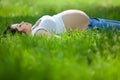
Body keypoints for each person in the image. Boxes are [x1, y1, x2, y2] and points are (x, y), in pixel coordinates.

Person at [2, 9, 120, 37]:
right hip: (91, 27)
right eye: (19, 25)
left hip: (93, 21)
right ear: (21, 33)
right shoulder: (37, 33)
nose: (22, 22)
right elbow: (58, 40)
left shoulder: (34, 27)